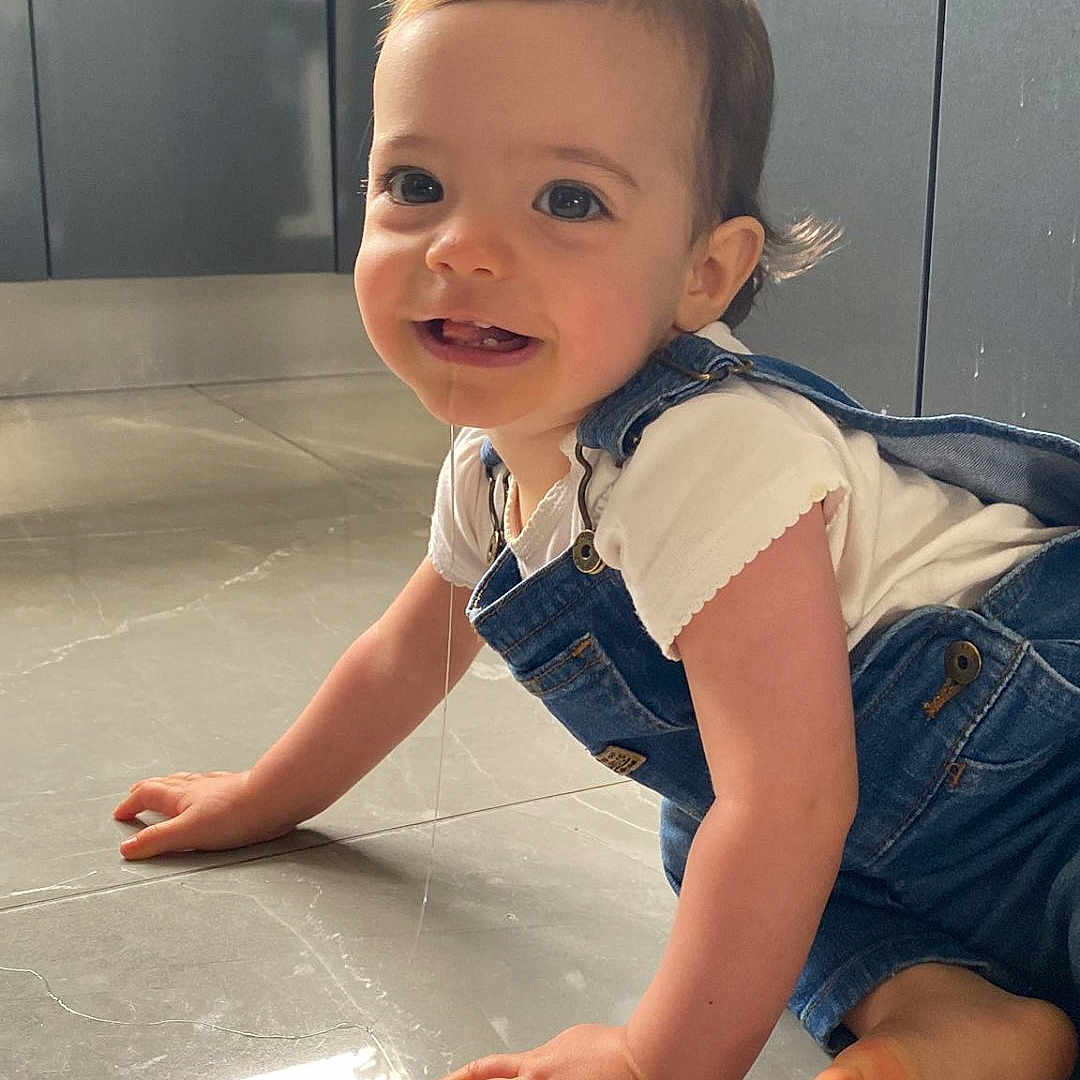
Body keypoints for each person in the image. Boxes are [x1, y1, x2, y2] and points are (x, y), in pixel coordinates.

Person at [113, 1, 1080, 1077]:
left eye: (568, 199)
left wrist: (648, 1060)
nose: (464, 247)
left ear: (703, 276)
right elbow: (400, 661)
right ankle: (951, 1016)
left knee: (754, 824)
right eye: (417, 185)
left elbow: (795, 800)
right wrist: (263, 796)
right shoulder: (492, 469)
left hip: (1039, 769)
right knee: (705, 833)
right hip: (878, 820)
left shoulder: (706, 450)